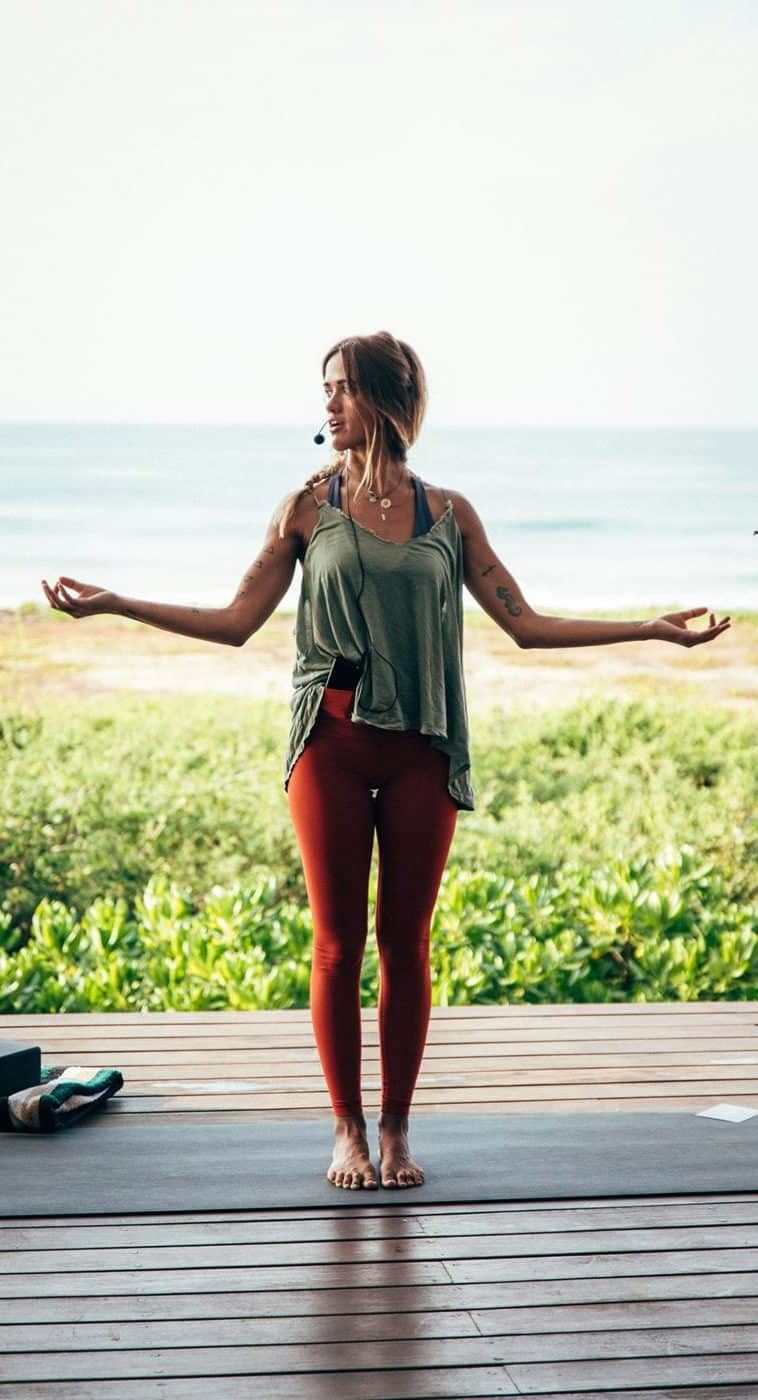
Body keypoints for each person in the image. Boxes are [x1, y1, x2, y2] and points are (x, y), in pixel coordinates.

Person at [42, 330, 732, 1192]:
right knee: (336, 945)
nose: (327, 404)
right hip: (328, 744)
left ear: (384, 398)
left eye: (341, 388)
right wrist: (116, 605)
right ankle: (346, 1133)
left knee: (405, 941)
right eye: (323, 389)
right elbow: (234, 620)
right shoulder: (303, 507)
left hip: (421, 747)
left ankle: (398, 1131)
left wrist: (648, 629)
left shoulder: (448, 513)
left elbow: (525, 623)